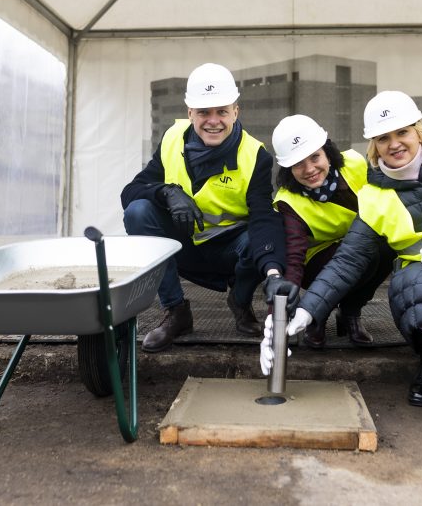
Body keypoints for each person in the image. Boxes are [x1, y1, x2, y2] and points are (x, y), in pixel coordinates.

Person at [262, 91, 422, 408]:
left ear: (419, 131)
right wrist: (306, 311)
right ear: (375, 145)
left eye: (402, 132)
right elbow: (346, 262)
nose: (395, 144)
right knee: (410, 286)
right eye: (383, 138)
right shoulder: (375, 196)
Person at [121, 62, 298, 353]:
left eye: (222, 111)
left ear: (235, 112)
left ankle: (240, 304)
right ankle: (177, 312)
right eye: (204, 112)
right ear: (190, 113)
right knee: (138, 211)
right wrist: (166, 192)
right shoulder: (172, 139)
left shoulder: (255, 155)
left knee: (271, 230)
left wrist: (273, 275)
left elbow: (263, 218)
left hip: (230, 254)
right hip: (183, 249)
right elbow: (130, 193)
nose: (213, 120)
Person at [270, 114, 394, 348]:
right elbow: (294, 259)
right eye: (298, 164)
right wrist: (278, 315)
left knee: (385, 247)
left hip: (362, 248)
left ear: (327, 152)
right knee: (359, 252)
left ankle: (350, 312)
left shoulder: (356, 164)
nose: (309, 169)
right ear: (287, 168)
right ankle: (318, 314)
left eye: (315, 157)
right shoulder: (288, 202)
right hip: (317, 265)